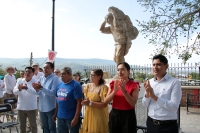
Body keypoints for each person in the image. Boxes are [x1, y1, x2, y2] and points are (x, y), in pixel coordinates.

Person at [142, 54, 182, 133]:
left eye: (158, 65)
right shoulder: (150, 82)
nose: (155, 67)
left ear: (166, 66)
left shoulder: (174, 82)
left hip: (168, 126)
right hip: (151, 124)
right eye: (153, 65)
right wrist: (147, 94)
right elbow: (144, 105)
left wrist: (154, 97)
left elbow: (174, 106)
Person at [105, 62, 139, 133]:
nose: (120, 72)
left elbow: (133, 103)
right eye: (118, 70)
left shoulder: (134, 85)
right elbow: (106, 101)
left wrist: (124, 91)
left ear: (128, 71)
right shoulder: (113, 84)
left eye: (122, 69)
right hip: (115, 114)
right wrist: (114, 91)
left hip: (128, 115)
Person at [27, 62, 60, 133]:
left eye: (47, 68)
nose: (45, 69)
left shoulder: (55, 78)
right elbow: (39, 93)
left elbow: (53, 93)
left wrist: (41, 88)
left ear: (52, 69)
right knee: (45, 128)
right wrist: (35, 89)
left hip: (50, 107)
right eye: (44, 68)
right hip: (42, 107)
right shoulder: (41, 78)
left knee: (51, 128)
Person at [51, 67, 82, 133]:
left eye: (64, 74)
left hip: (71, 117)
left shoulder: (76, 85)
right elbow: (58, 100)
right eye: (61, 74)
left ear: (70, 74)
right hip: (60, 117)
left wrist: (76, 118)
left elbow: (79, 102)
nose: (61, 75)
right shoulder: (59, 85)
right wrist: (55, 113)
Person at [80, 69, 109, 133]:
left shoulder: (103, 87)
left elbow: (104, 104)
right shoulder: (88, 86)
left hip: (98, 115)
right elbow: (87, 99)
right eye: (90, 75)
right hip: (88, 113)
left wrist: (90, 103)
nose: (90, 76)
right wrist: (85, 102)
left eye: (93, 75)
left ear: (99, 77)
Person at [13, 67, 38, 133]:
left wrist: (27, 88)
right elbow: (15, 92)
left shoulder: (35, 81)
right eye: (26, 71)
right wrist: (19, 89)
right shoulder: (20, 81)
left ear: (33, 74)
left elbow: (37, 93)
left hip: (31, 107)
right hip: (21, 107)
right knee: (22, 126)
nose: (27, 73)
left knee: (33, 126)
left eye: (29, 72)